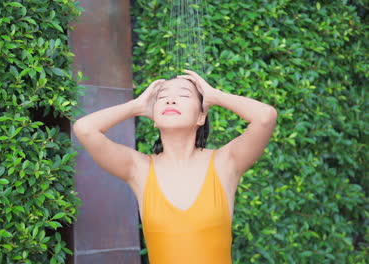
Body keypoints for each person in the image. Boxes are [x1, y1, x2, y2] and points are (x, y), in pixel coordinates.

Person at [73, 69, 277, 264]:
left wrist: (214, 95)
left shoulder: (226, 162)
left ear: (201, 116)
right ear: (153, 117)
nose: (170, 100)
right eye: (161, 97)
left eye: (184, 95)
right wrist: (136, 106)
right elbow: (85, 129)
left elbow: (265, 117)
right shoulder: (139, 169)